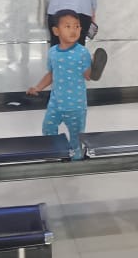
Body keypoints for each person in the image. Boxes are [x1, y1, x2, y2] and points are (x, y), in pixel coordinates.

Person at [27, 10, 94, 159]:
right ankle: (55, 153)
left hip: (76, 106)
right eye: (68, 26)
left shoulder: (83, 52)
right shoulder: (53, 52)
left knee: (76, 138)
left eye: (77, 26)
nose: (73, 30)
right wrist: (38, 87)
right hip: (55, 103)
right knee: (48, 128)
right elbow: (51, 74)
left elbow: (87, 76)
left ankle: (76, 160)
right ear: (56, 31)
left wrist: (94, 67)